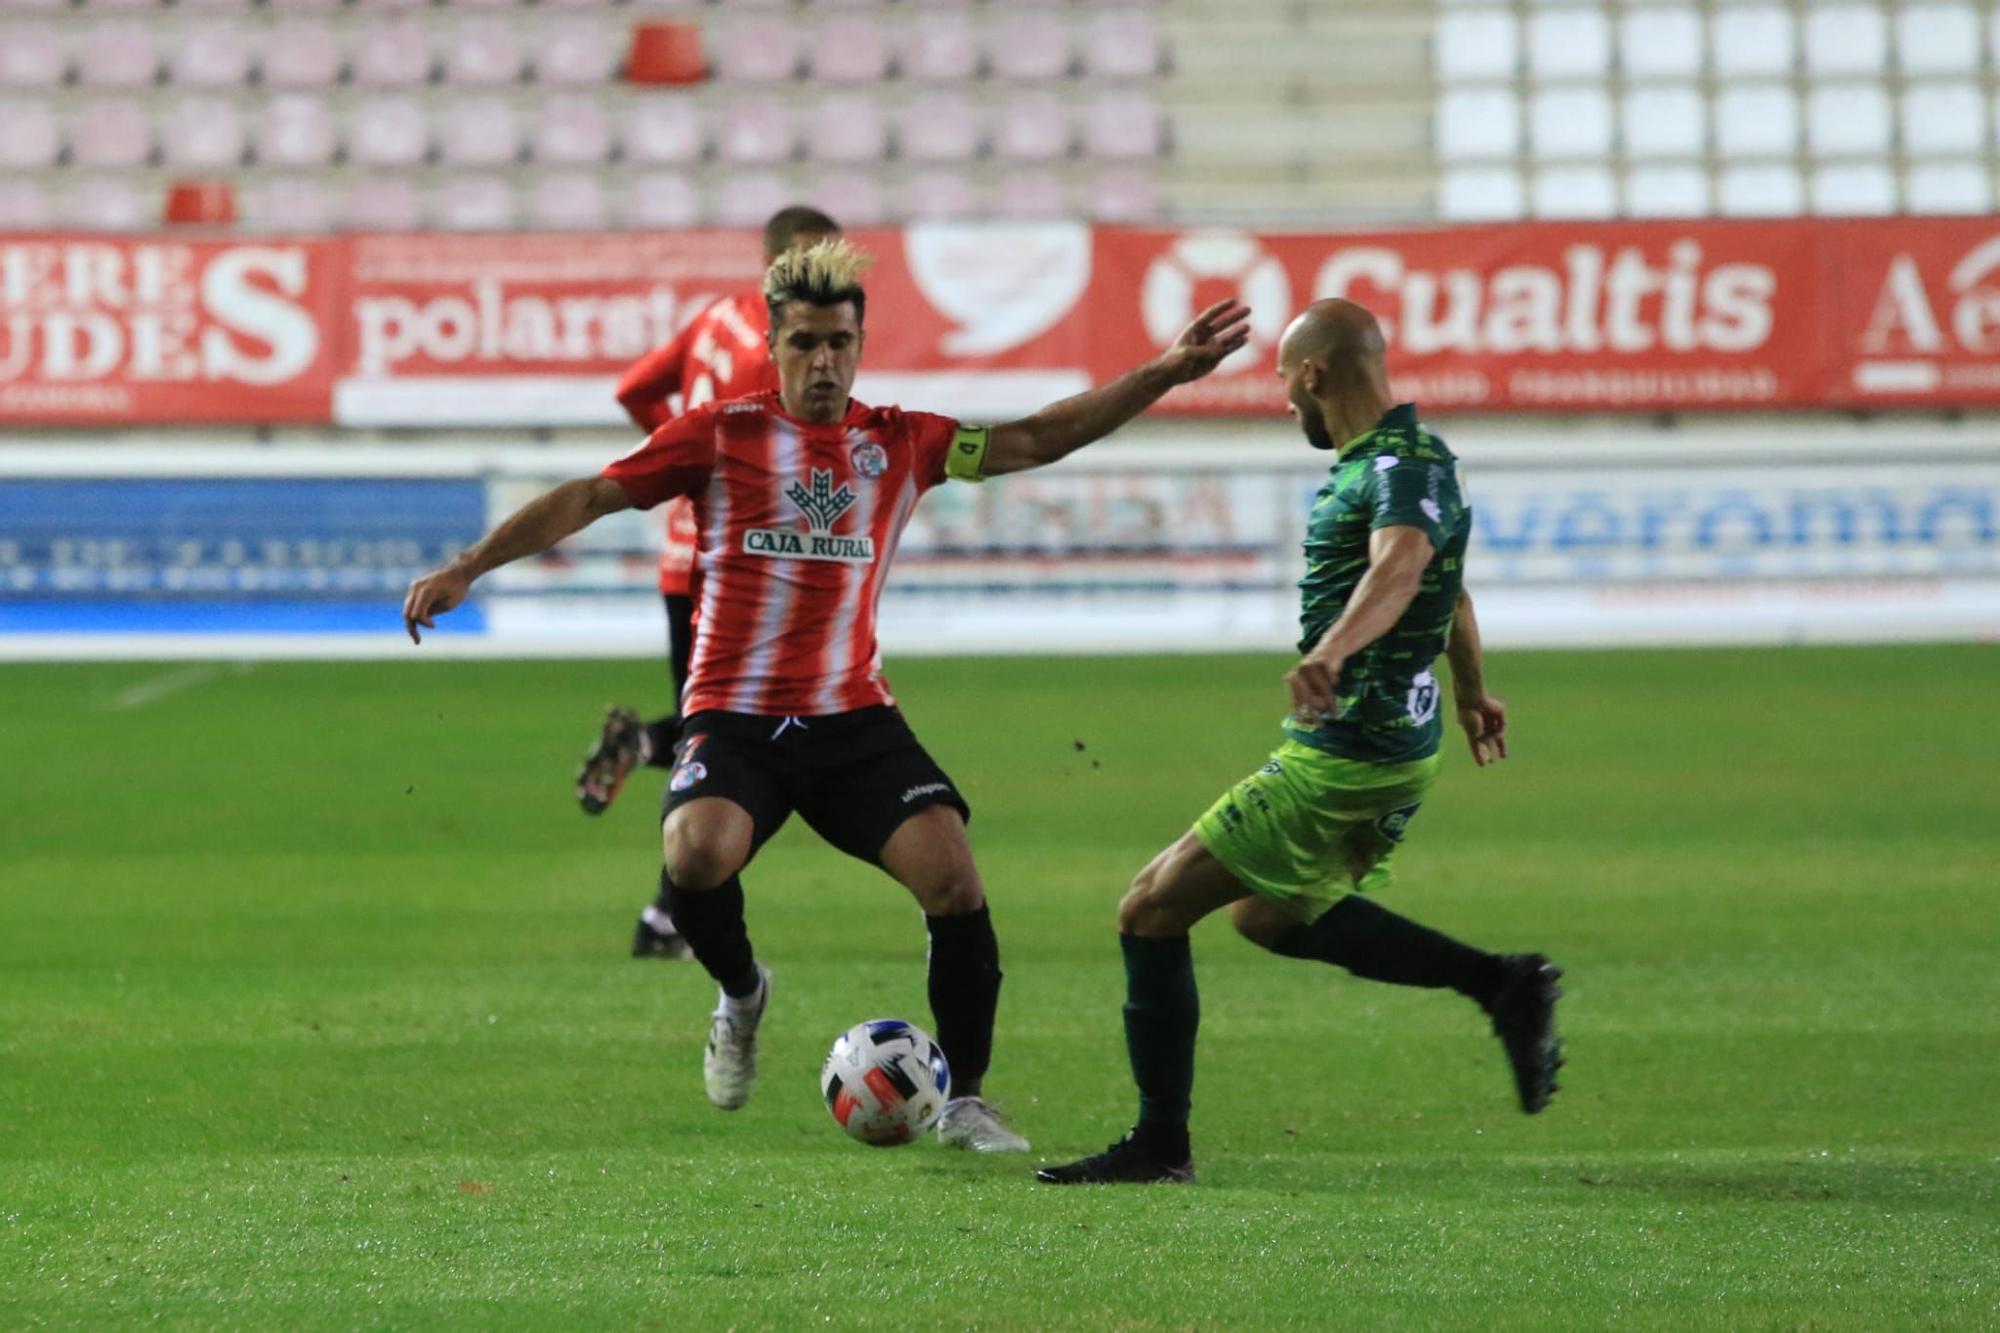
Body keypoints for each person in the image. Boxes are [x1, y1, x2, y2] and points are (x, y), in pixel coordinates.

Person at [403, 239, 1252, 1152]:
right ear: (773, 345)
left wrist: (1166, 371)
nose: (824, 361)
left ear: (860, 343)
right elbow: (590, 496)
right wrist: (471, 565)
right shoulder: (721, 433)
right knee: (694, 853)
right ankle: (741, 993)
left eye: (841, 342)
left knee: (955, 877)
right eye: (805, 342)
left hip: (853, 720)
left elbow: (1038, 437)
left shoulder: (906, 440)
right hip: (735, 717)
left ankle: (964, 1098)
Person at [1036, 299, 1564, 1186]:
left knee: (1149, 908)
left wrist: (1332, 649)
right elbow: (1450, 587)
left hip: (1350, 750)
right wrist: (1474, 693)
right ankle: (1501, 982)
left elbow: (1402, 564)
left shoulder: (1396, 467)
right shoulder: (1417, 461)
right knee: (1269, 914)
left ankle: (1160, 1144)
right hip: (1402, 741)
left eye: (1287, 384)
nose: (1287, 404)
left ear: (1315, 373)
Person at [572, 205, 841, 962]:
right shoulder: (788, 355)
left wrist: (685, 465)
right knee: (727, 744)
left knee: (713, 735)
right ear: (775, 265)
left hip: (680, 557)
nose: (823, 276)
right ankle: (667, 916)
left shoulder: (714, 320)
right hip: (741, 568)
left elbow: (635, 390)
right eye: (809, 260)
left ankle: (641, 758)